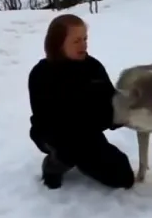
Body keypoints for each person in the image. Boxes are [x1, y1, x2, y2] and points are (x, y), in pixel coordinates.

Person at [28, 14, 135, 190]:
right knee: (69, 150)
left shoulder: (93, 67)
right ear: (58, 42)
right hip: (55, 135)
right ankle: (54, 163)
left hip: (87, 132)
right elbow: (50, 120)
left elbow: (110, 101)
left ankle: (79, 156)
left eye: (85, 39)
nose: (84, 45)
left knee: (122, 177)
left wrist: (122, 114)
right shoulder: (41, 74)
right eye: (76, 41)